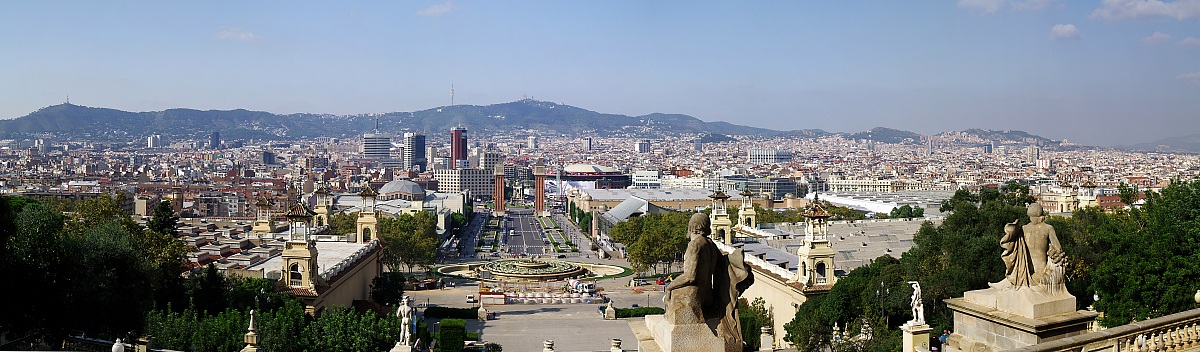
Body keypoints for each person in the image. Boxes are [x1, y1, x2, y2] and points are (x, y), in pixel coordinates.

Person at [998, 203, 1066, 289]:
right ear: (1041, 214)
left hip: (1025, 272)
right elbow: (1058, 248)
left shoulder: (1023, 229)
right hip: (1042, 272)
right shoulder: (1048, 228)